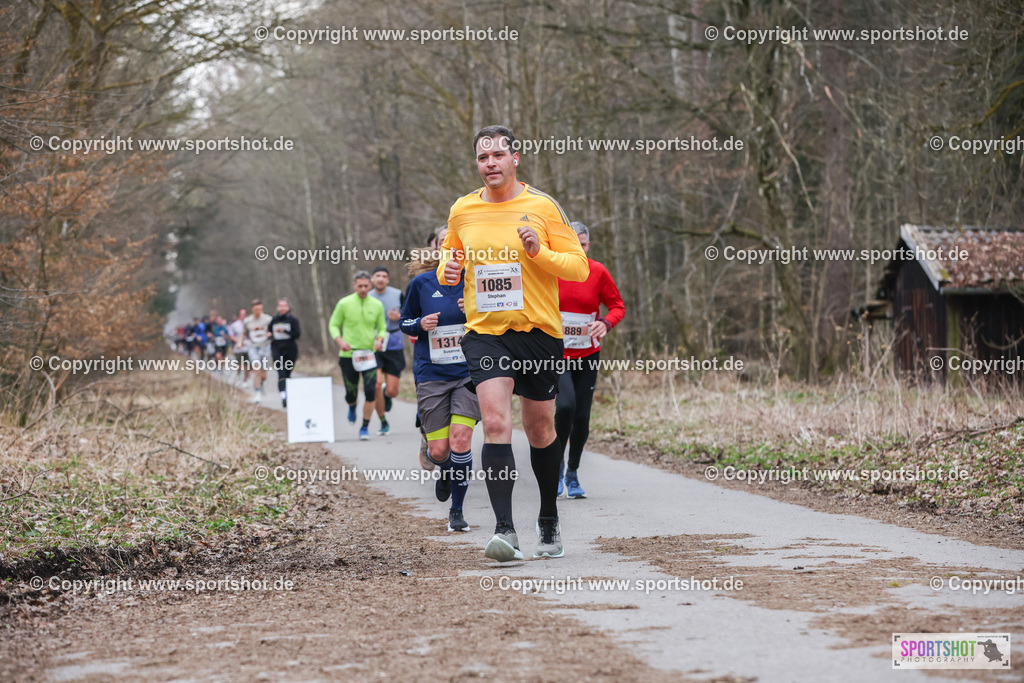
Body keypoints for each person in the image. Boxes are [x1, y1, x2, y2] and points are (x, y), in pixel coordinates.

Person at [439, 124, 588, 561]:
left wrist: (539, 252)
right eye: (483, 158)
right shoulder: (462, 210)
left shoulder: (541, 206)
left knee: (541, 428)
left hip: (539, 333)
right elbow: (452, 255)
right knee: (497, 422)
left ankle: (547, 517)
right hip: (486, 334)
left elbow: (578, 268)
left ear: (514, 158)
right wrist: (447, 270)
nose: (490, 164)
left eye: (498, 156)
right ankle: (505, 530)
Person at [401, 232, 480, 532]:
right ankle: (446, 471)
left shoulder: (474, 280)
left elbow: (499, 318)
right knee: (438, 451)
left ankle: (456, 511)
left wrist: (474, 311)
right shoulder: (421, 284)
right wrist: (420, 324)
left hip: (467, 373)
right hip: (432, 375)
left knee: (460, 440)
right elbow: (405, 321)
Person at [555, 221, 625, 498]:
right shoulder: (550, 270)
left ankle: (572, 474)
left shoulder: (597, 271)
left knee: (582, 417)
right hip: (556, 356)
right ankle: (556, 467)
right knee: (565, 407)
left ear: (588, 245)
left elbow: (617, 306)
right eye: (574, 244)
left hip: (587, 353)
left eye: (583, 245)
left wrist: (606, 323)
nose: (579, 249)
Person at [328, 271, 387, 440]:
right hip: (348, 355)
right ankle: (352, 405)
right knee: (350, 392)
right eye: (359, 286)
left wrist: (379, 339)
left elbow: (382, 326)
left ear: (370, 285)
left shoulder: (376, 304)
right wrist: (339, 341)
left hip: (369, 354)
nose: (363, 289)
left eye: (366, 286)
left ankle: (364, 427)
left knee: (371, 390)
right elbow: (333, 325)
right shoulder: (344, 303)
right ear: (354, 285)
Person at [368, 266, 405, 435]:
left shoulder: (398, 294)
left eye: (384, 276)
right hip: (373, 344)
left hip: (394, 343)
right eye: (378, 276)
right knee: (375, 383)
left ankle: (386, 393)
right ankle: (383, 422)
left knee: (392, 390)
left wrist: (399, 317)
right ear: (372, 279)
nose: (381, 279)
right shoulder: (367, 297)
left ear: (388, 279)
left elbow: (409, 313)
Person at [269, 298, 301, 408]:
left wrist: (285, 331)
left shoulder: (293, 320)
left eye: (284, 306)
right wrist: (269, 334)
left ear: (288, 307)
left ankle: (288, 393)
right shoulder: (274, 320)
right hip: (277, 349)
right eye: (280, 306)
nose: (282, 308)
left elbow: (297, 334)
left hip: (290, 349)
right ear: (277, 307)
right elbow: (269, 332)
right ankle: (283, 396)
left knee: (287, 373)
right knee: (281, 373)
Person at [244, 300, 273, 403]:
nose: (258, 311)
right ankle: (257, 393)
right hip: (253, 347)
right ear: (252, 309)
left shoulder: (268, 319)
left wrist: (270, 333)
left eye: (260, 309)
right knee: (256, 370)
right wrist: (240, 342)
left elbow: (272, 332)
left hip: (265, 346)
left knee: (263, 374)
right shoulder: (247, 321)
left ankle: (262, 383)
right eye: (256, 309)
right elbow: (244, 333)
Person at [229, 308, 249, 384]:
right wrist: (238, 341)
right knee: (239, 364)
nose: (243, 316)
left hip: (248, 347)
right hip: (238, 348)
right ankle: (238, 375)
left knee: (247, 365)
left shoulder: (249, 324)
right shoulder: (234, 325)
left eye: (244, 314)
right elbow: (231, 335)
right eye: (241, 315)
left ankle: (245, 380)